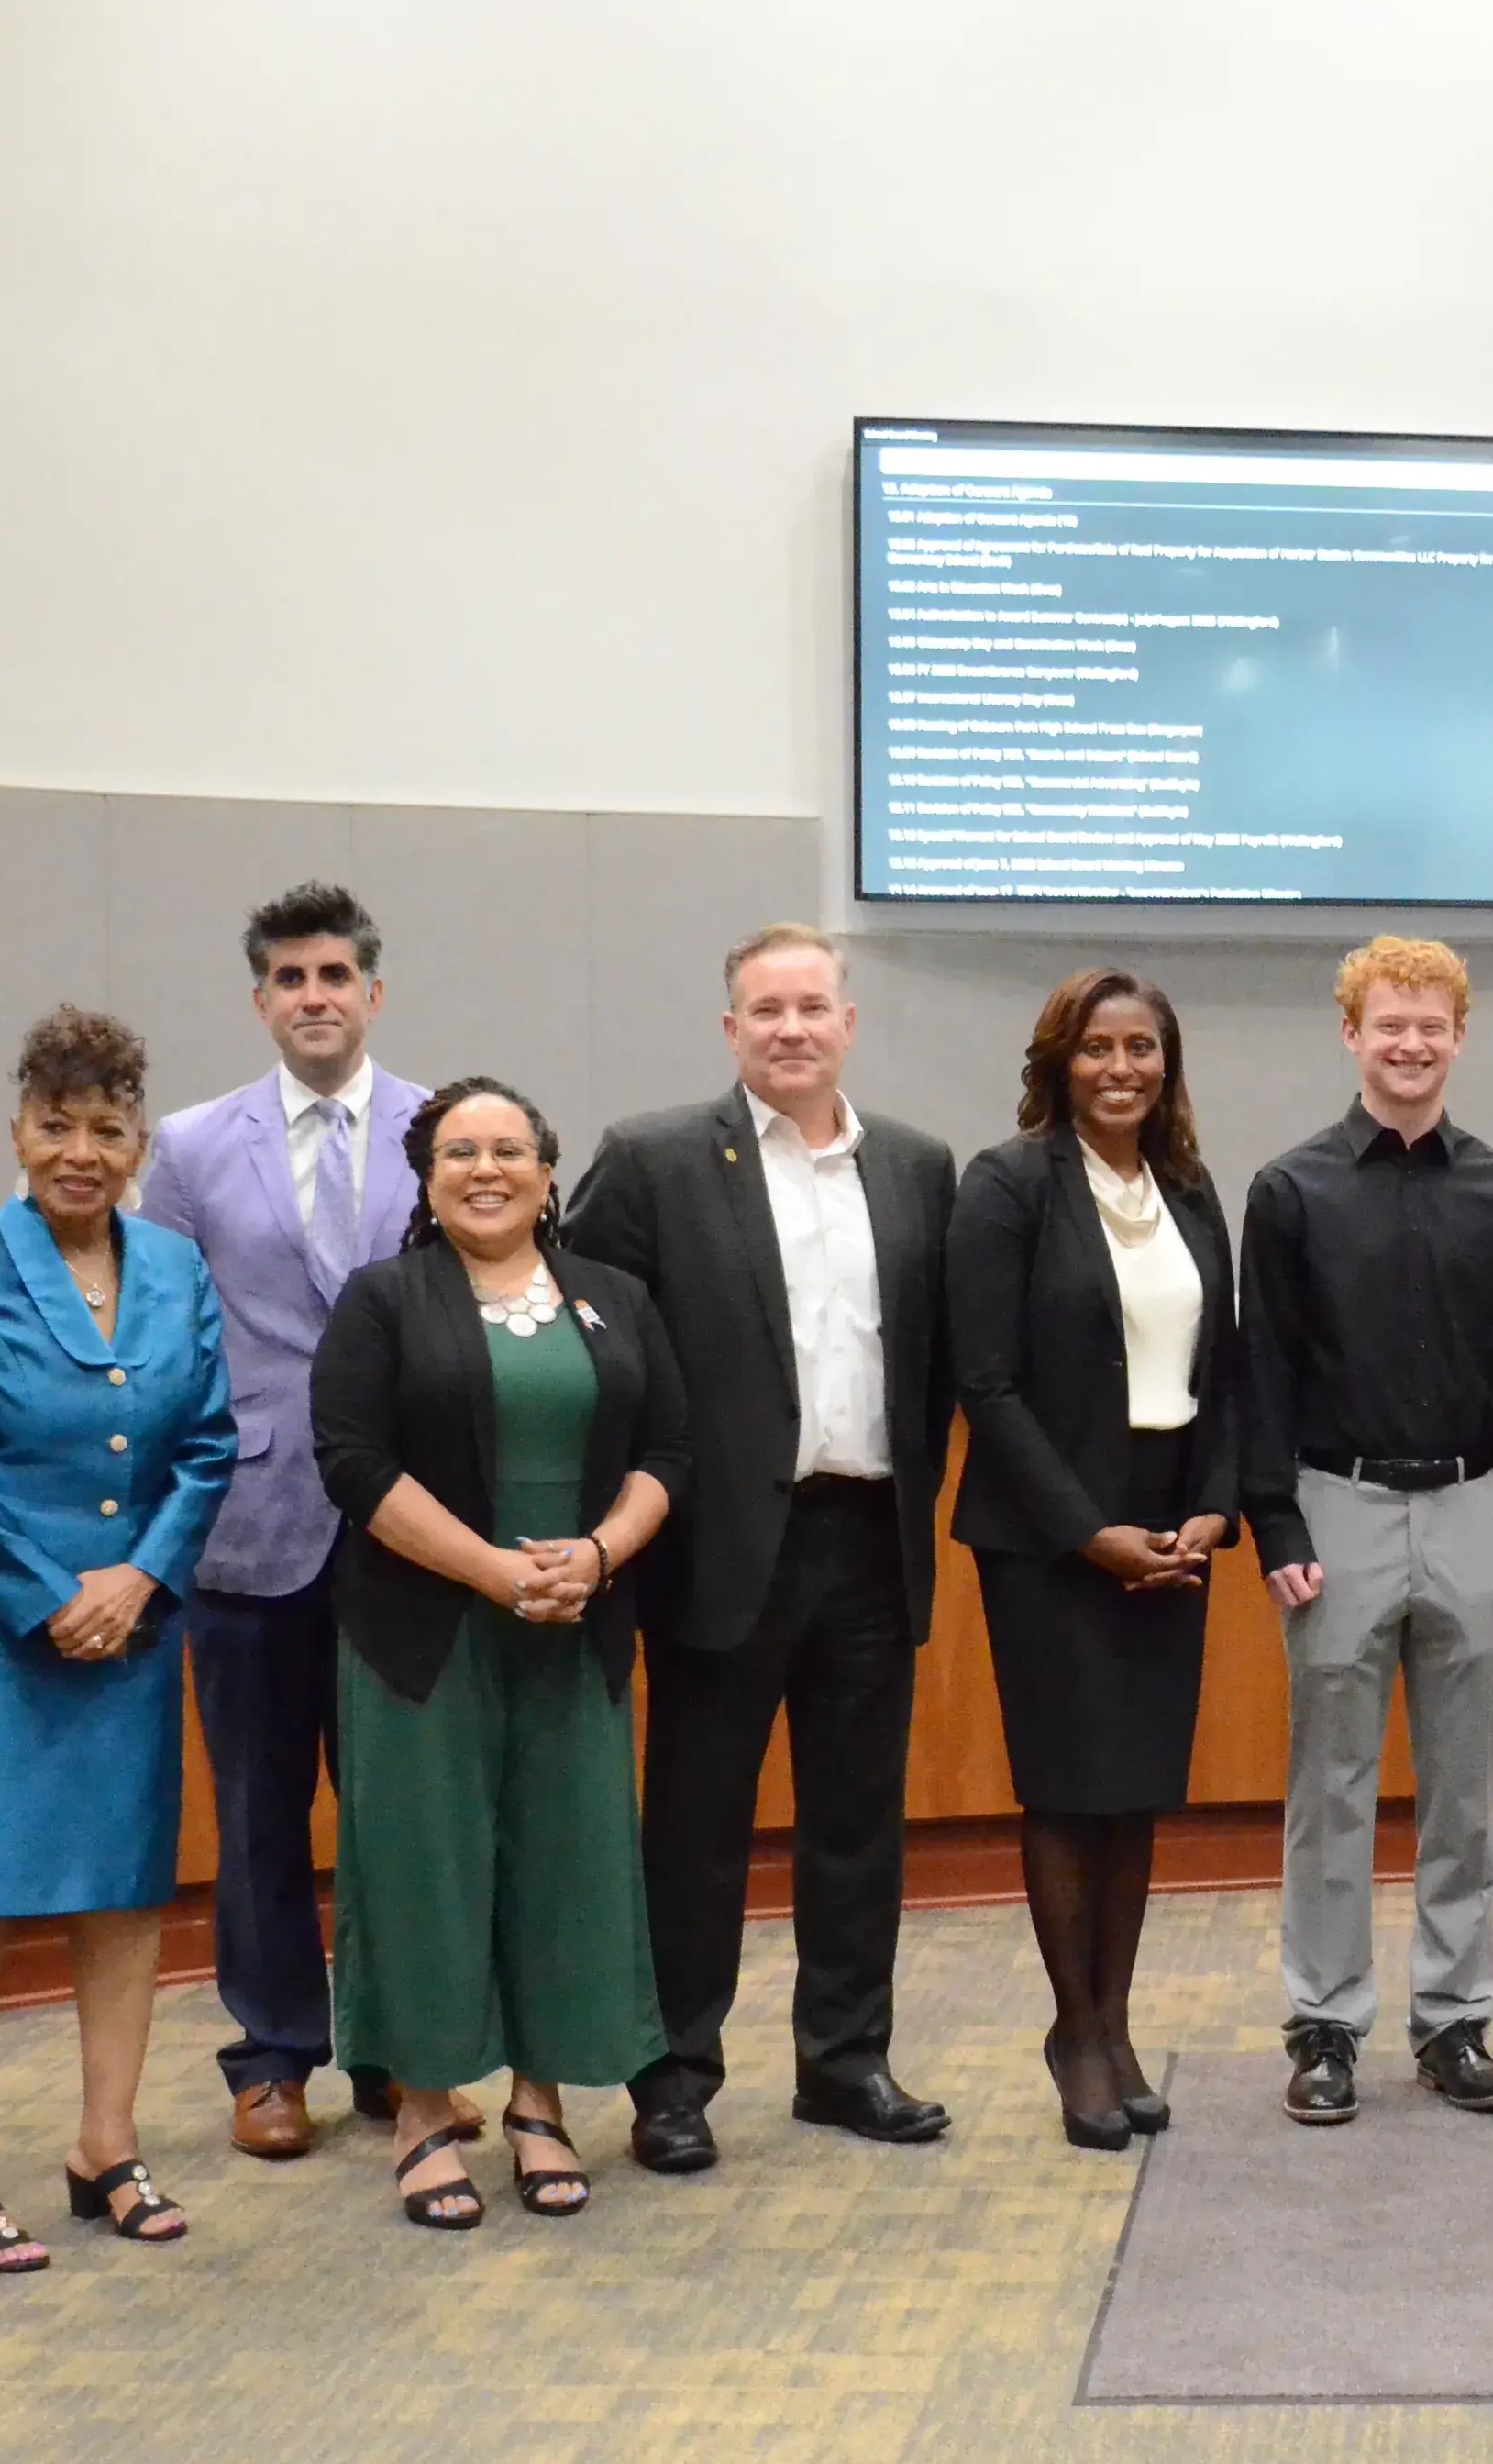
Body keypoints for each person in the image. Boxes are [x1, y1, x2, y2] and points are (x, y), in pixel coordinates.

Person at [564, 925, 962, 2172]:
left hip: (869, 1537)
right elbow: (598, 1346)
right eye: (764, 1011)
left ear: (849, 1023)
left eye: (813, 1007)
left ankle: (847, 2065)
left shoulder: (916, 1165)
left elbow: (938, 1355)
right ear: (730, 1031)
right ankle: (674, 2076)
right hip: (718, 1547)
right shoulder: (655, 1158)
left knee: (859, 1825)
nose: (791, 1029)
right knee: (696, 1830)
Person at [0, 1007, 237, 2274]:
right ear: (17, 1132)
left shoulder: (176, 1268)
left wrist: (139, 1578)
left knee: (125, 1885)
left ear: (139, 1141)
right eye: (56, 1126)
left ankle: (105, 2144)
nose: (80, 1151)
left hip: (134, 1624)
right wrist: (49, 1594)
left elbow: (206, 1444)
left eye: (106, 1129)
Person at [310, 1081, 685, 2230]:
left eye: (510, 1150)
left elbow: (670, 1444)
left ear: (547, 1171)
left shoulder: (612, 1298)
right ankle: (425, 2109)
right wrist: (488, 1568)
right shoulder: (383, 1301)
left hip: (573, 1630)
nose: (487, 1170)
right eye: (459, 1151)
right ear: (426, 1178)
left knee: (565, 1868)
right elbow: (350, 1459)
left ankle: (539, 2102)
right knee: (425, 1865)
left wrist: (601, 1555)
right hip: (423, 1634)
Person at [133, 882, 443, 2163]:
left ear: (374, 991)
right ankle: (271, 2058)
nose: (314, 997)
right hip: (249, 1523)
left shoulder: (449, 1129)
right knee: (259, 1808)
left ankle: (395, 2047)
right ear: (260, 999)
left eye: (335, 975)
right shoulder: (194, 1146)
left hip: (410, 1527)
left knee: (395, 1804)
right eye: (289, 978)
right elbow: (160, 1333)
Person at [1244, 938, 1493, 2124]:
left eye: (1431, 1025)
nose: (1410, 1044)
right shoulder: (1291, 1192)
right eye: (1389, 1024)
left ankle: (1455, 2022)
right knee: (1329, 1784)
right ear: (1352, 1034)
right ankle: (1325, 2024)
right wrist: (1274, 1520)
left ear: (1460, 1035)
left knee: (1464, 1786)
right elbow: (1265, 1372)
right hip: (1336, 1507)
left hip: (1479, 1508)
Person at [949, 968, 1242, 2151]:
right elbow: (986, 1382)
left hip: (1171, 1528)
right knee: (1068, 1790)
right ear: (1057, 1061)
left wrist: (1216, 1507)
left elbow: (1224, 1362)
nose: (1120, 1068)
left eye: (1142, 1048)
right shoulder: (1008, 1184)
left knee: (1134, 1796)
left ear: (1166, 1064)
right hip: (1052, 1536)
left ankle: (1113, 2025)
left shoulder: (1187, 1185)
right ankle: (1074, 2032)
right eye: (1096, 1048)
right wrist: (1087, 1532)